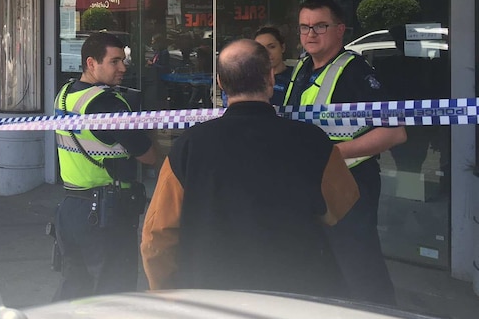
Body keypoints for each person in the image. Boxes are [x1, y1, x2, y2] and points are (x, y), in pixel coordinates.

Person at [141, 39, 358, 296]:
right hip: (297, 294)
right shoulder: (314, 141)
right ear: (269, 77)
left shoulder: (187, 147)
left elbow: (157, 238)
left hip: (211, 296)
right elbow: (342, 204)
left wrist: (169, 293)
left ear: (220, 82)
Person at [284, 0, 406, 305]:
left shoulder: (355, 72)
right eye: (304, 27)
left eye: (320, 26)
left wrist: (335, 153)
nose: (311, 34)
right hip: (309, 183)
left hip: (351, 183)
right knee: (322, 266)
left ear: (340, 30)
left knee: (359, 266)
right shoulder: (302, 67)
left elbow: (395, 132)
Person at [52, 31, 161, 302]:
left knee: (75, 290)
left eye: (123, 61)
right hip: (105, 213)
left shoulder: (66, 94)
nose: (123, 68)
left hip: (71, 208)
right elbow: (148, 155)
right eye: (114, 62)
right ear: (92, 63)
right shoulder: (107, 103)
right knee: (113, 295)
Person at [254, 25, 293, 106]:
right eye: (260, 49)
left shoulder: (297, 76)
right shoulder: (250, 79)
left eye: (271, 47)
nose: (266, 52)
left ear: (282, 47)